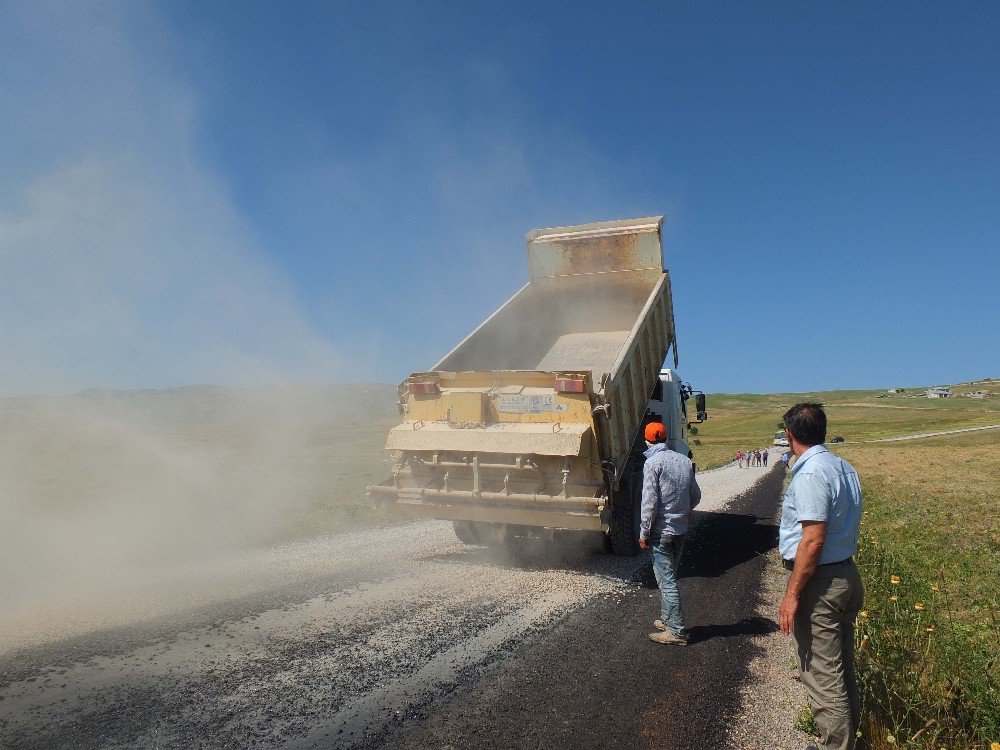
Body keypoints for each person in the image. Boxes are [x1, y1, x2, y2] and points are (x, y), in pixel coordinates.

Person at [778, 403, 864, 750]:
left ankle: (838, 747)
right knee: (841, 669)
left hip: (822, 584)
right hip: (844, 575)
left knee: (823, 676)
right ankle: (848, 742)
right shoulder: (842, 466)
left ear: (789, 435)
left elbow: (812, 540)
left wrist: (792, 594)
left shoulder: (812, 473)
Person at [638, 421, 701, 645]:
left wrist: (644, 532)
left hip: (660, 532)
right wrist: (686, 510)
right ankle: (666, 618)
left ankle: (676, 631)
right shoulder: (683, 460)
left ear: (647, 441)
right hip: (680, 529)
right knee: (670, 575)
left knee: (667, 582)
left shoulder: (652, 463)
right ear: (665, 438)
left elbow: (649, 502)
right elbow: (695, 493)